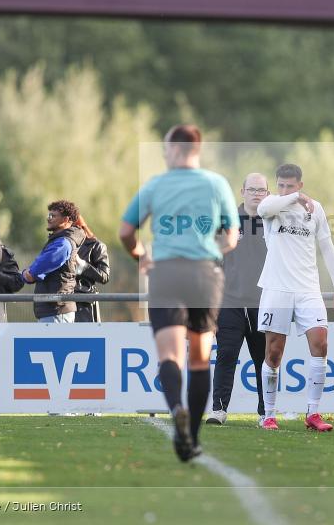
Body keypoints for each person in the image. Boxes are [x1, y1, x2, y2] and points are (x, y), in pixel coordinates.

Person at [119, 124, 239, 462]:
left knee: (170, 356)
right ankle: (193, 438)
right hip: (204, 274)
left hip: (166, 272)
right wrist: (211, 252)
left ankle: (176, 410)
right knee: (200, 357)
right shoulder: (217, 184)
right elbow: (232, 237)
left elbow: (126, 231)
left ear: (174, 150)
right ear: (197, 150)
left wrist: (141, 255)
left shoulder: (156, 185)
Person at [257, 163, 334, 432]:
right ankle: (269, 415)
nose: (285, 189)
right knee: (274, 353)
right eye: (281, 185)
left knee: (320, 343)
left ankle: (313, 413)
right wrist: (294, 198)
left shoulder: (315, 209)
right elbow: (262, 209)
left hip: (308, 289)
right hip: (277, 289)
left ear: (300, 184)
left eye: (291, 186)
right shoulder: (272, 204)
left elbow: (327, 247)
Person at [206, 173, 270, 426]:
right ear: (242, 191)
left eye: (261, 190)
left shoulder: (274, 221)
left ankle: (266, 413)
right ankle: (218, 410)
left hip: (263, 303)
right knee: (226, 356)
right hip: (229, 302)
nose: (256, 193)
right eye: (252, 189)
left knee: (264, 361)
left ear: (267, 193)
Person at [21, 200, 87, 323]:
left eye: (53, 216)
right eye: (48, 215)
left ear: (66, 220)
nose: (48, 218)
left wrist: (23, 274)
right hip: (55, 311)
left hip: (57, 311)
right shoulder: (60, 241)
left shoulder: (62, 244)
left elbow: (33, 273)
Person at [73, 214, 110, 323]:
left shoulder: (96, 245)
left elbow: (105, 276)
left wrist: (83, 266)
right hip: (60, 304)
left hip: (84, 303)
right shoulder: (60, 245)